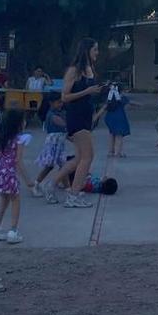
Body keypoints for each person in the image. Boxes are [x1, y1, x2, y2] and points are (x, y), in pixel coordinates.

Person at [54, 38, 102, 209]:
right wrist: (87, 91)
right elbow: (65, 97)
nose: (97, 53)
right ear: (87, 50)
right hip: (76, 117)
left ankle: (68, 189)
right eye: (95, 49)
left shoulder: (89, 69)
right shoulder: (74, 70)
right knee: (88, 156)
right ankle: (73, 195)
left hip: (86, 116)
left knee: (81, 157)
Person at [0, 107, 34, 244]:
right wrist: (28, 180)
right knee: (15, 200)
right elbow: (18, 160)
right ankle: (13, 230)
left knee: (4, 200)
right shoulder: (19, 139)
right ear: (19, 123)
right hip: (9, 174)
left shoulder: (0, 137)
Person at [31, 92, 67, 199]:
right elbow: (64, 125)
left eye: (61, 102)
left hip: (59, 142)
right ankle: (36, 184)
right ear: (51, 103)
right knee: (50, 166)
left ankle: (67, 187)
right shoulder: (52, 115)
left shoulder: (59, 112)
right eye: (58, 102)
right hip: (53, 143)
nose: (61, 104)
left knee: (63, 166)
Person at [103, 82, 131, 158]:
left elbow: (105, 106)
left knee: (111, 134)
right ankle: (117, 152)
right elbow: (128, 105)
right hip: (119, 118)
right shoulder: (122, 98)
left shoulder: (109, 98)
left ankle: (110, 151)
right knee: (119, 135)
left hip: (109, 118)